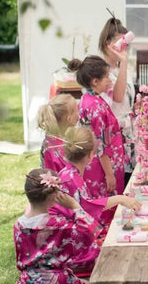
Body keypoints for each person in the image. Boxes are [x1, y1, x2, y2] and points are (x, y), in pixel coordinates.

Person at [14, 168, 101, 283]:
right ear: (53, 196)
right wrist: (76, 207)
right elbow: (90, 233)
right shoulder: (58, 226)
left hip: (28, 280)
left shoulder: (18, 225)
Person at [55, 126, 141, 235]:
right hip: (71, 238)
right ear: (91, 155)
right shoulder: (71, 179)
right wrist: (120, 199)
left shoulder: (67, 173)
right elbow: (88, 207)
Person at [68, 55, 125, 199]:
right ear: (95, 81)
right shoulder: (95, 107)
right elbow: (100, 145)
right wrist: (109, 174)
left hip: (102, 164)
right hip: (102, 168)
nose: (110, 79)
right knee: (107, 205)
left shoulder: (89, 99)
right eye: (106, 76)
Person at [99, 16, 136, 186]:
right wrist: (123, 62)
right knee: (119, 183)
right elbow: (118, 97)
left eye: (125, 41)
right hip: (113, 135)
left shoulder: (121, 67)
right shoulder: (101, 71)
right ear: (107, 44)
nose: (123, 45)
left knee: (130, 181)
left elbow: (125, 100)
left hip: (129, 133)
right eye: (118, 41)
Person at [38, 93, 78, 173]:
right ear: (69, 119)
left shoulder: (55, 137)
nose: (79, 114)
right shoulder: (55, 147)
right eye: (77, 111)